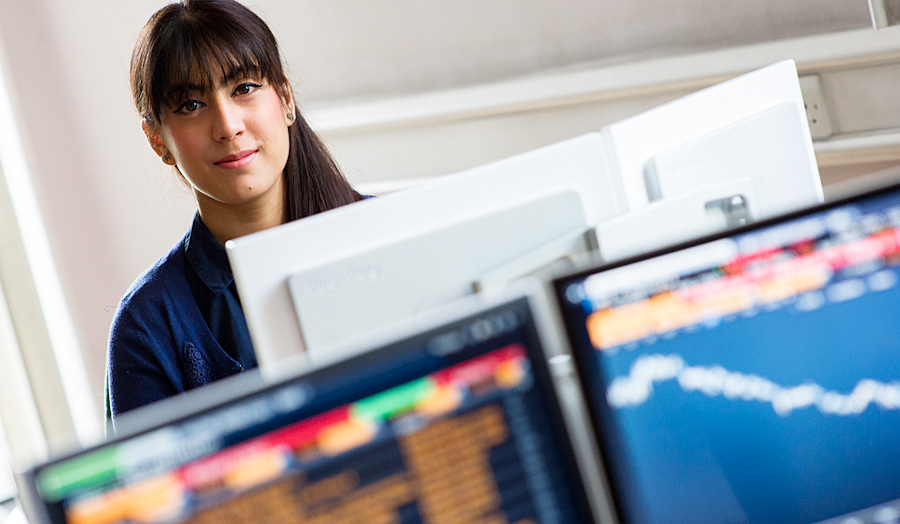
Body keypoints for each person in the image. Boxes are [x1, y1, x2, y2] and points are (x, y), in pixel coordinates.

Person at [106, 0, 363, 426]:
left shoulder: (393, 233)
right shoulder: (148, 325)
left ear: (285, 98)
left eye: (244, 88)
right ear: (157, 140)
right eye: (190, 104)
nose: (227, 126)